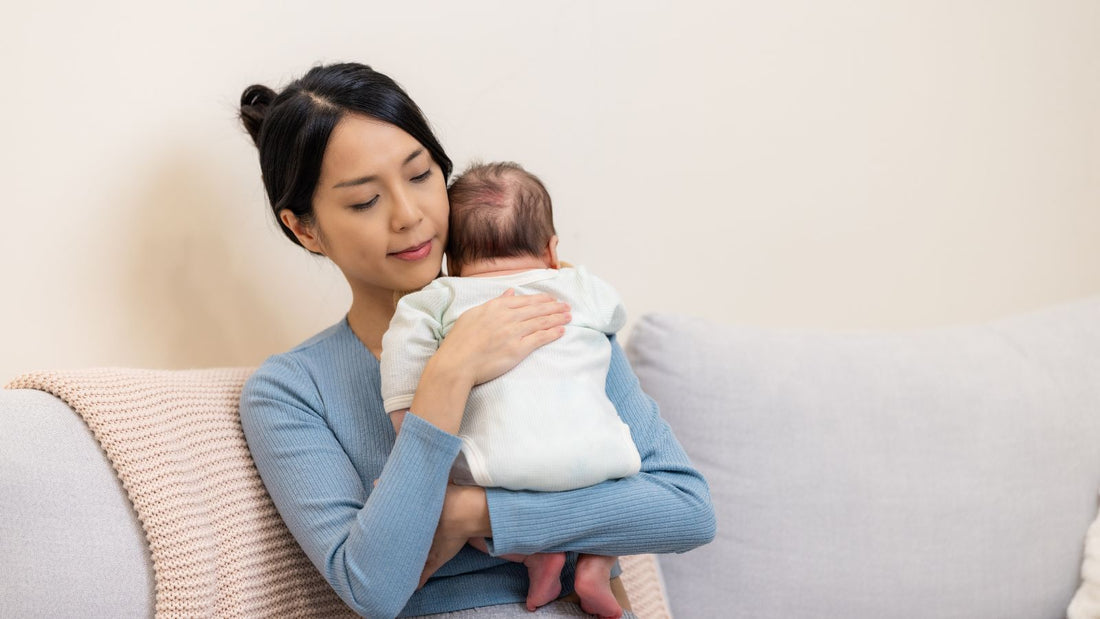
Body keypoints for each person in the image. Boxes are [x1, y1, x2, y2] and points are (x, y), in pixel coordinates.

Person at [237, 62, 716, 618]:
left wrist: (471, 511)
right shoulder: (291, 391)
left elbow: (686, 509)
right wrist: (448, 375)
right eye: (365, 201)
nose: (411, 215)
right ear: (305, 229)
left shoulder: (544, 313)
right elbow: (374, 589)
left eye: (420, 176)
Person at [381, 161, 640, 618]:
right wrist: (565, 275)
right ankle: (595, 570)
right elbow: (614, 313)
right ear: (551, 248)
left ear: (451, 261)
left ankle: (531, 555)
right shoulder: (577, 287)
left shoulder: (435, 299)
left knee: (448, 491)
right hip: (601, 458)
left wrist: (409, 433)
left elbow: (403, 370)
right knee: (617, 496)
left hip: (495, 465)